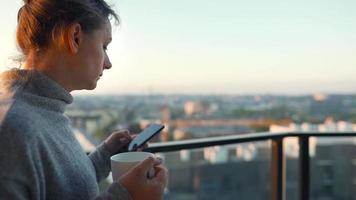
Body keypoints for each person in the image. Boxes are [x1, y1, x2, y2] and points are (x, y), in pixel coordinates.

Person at [0, 0, 168, 199]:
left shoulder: (41, 110)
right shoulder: (13, 127)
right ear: (75, 37)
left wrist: (104, 156)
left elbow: (61, 189)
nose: (108, 63)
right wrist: (126, 196)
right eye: (104, 46)